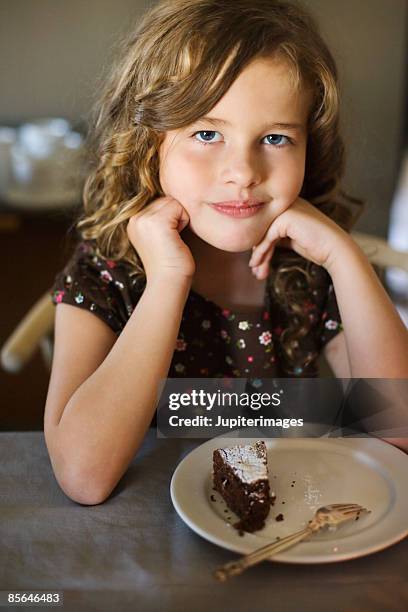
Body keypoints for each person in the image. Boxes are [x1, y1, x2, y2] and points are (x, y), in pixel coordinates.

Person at [44, 0, 408, 505]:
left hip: (280, 526)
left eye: (276, 138)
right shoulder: (105, 270)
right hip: (149, 543)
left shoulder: (308, 270)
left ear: (310, 148)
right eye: (207, 133)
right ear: (148, 141)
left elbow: (398, 427)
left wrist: (345, 257)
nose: (243, 172)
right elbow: (84, 476)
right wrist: (169, 278)